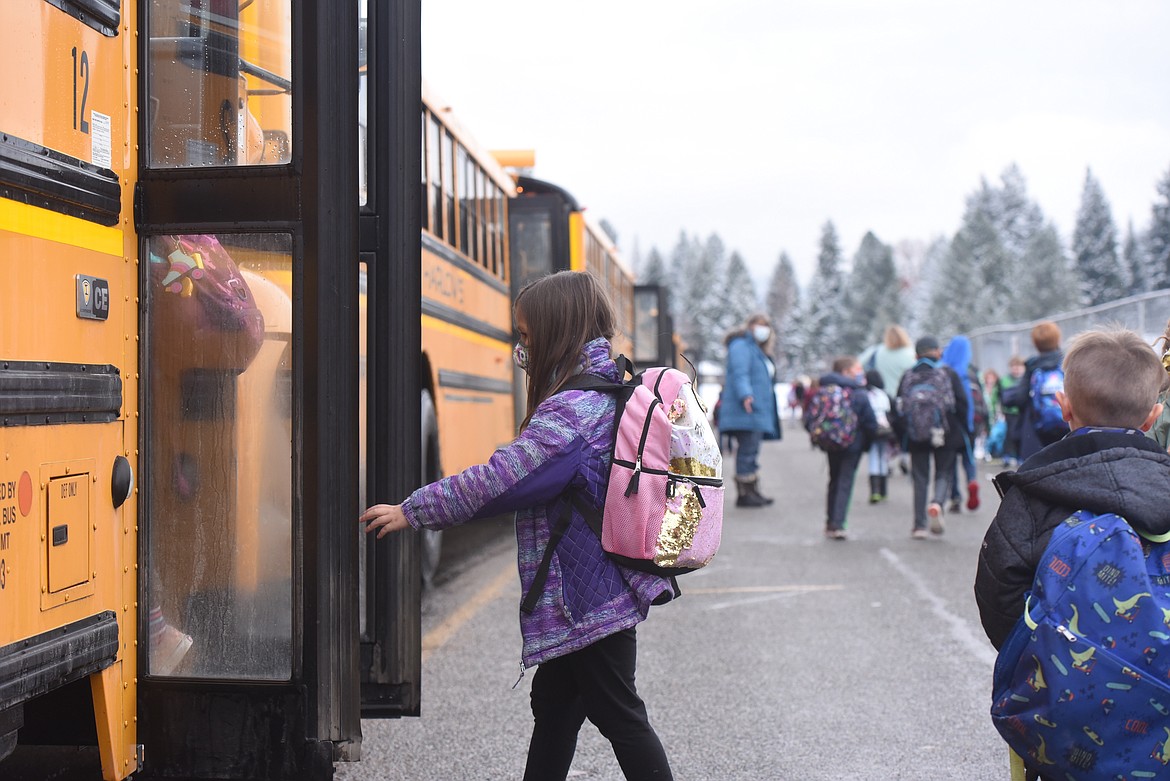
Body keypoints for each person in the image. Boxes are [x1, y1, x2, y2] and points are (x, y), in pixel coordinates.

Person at [360, 271, 675, 781]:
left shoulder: (572, 411)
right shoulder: (604, 387)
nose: (519, 348)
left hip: (586, 600)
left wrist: (414, 509)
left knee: (621, 717)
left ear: (556, 330)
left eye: (526, 335)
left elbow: (501, 479)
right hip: (587, 593)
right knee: (554, 707)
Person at [974, 327, 1170, 656]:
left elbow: (998, 590)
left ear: (1064, 407)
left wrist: (1033, 655)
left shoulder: (1034, 488)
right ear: (1153, 417)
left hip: (1056, 686)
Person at [895, 336, 968, 539]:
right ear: (937, 352)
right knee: (944, 472)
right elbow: (962, 403)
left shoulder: (908, 375)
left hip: (916, 434)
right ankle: (937, 503)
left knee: (920, 477)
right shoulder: (947, 373)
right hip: (944, 432)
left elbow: (898, 406)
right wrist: (964, 430)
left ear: (916, 355)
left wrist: (904, 433)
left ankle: (919, 525)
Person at [718, 314, 781, 508]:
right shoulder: (741, 345)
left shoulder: (756, 350)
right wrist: (746, 394)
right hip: (746, 408)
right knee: (747, 450)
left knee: (751, 450)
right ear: (750, 326)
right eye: (759, 325)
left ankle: (752, 490)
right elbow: (740, 372)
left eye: (766, 325)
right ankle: (745, 494)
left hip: (756, 409)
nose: (763, 329)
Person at [814, 356, 877, 539]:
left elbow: (811, 416)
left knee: (833, 479)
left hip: (830, 443)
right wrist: (867, 443)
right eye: (857, 369)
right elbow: (870, 421)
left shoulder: (824, 390)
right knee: (845, 481)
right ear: (846, 371)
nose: (860, 373)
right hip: (853, 443)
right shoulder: (857, 392)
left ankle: (829, 521)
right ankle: (838, 524)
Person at [999, 322, 1064, 462]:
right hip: (1067, 424)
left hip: (1038, 432)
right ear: (1058, 339)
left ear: (1035, 343)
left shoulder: (1032, 366)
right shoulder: (1068, 362)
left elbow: (1020, 398)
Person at [941, 335, 979, 513]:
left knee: (950, 464)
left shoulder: (943, 372)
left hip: (948, 426)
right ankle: (972, 480)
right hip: (967, 426)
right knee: (968, 459)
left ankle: (955, 496)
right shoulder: (969, 373)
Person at [864, 368, 893, 503]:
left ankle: (874, 491)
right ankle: (884, 491)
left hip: (871, 430)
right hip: (885, 430)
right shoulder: (883, 395)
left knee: (874, 458)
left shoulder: (866, 394)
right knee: (883, 458)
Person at [997, 355, 1025, 467]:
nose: (1016, 369)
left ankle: (1020, 456)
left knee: (1021, 435)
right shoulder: (1004, 380)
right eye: (1014, 367)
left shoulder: (1025, 380)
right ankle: (1007, 455)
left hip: (1021, 412)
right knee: (1009, 434)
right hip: (1009, 412)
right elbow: (999, 395)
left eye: (1018, 366)